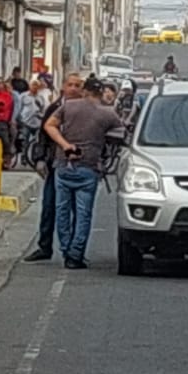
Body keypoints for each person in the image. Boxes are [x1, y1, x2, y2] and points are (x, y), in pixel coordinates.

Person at [43, 74, 125, 269]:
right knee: (83, 214)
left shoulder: (69, 106)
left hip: (63, 165)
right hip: (89, 167)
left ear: (85, 90)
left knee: (62, 210)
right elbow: (121, 135)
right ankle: (76, 254)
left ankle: (65, 249)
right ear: (100, 92)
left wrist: (66, 145)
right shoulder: (108, 113)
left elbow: (49, 125)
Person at [23, 75, 83, 262]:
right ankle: (45, 246)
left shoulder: (86, 110)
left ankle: (74, 250)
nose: (73, 88)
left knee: (77, 210)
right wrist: (40, 160)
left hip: (79, 166)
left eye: (77, 85)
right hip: (54, 165)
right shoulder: (54, 108)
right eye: (70, 84)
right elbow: (43, 136)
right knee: (49, 206)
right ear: (63, 87)